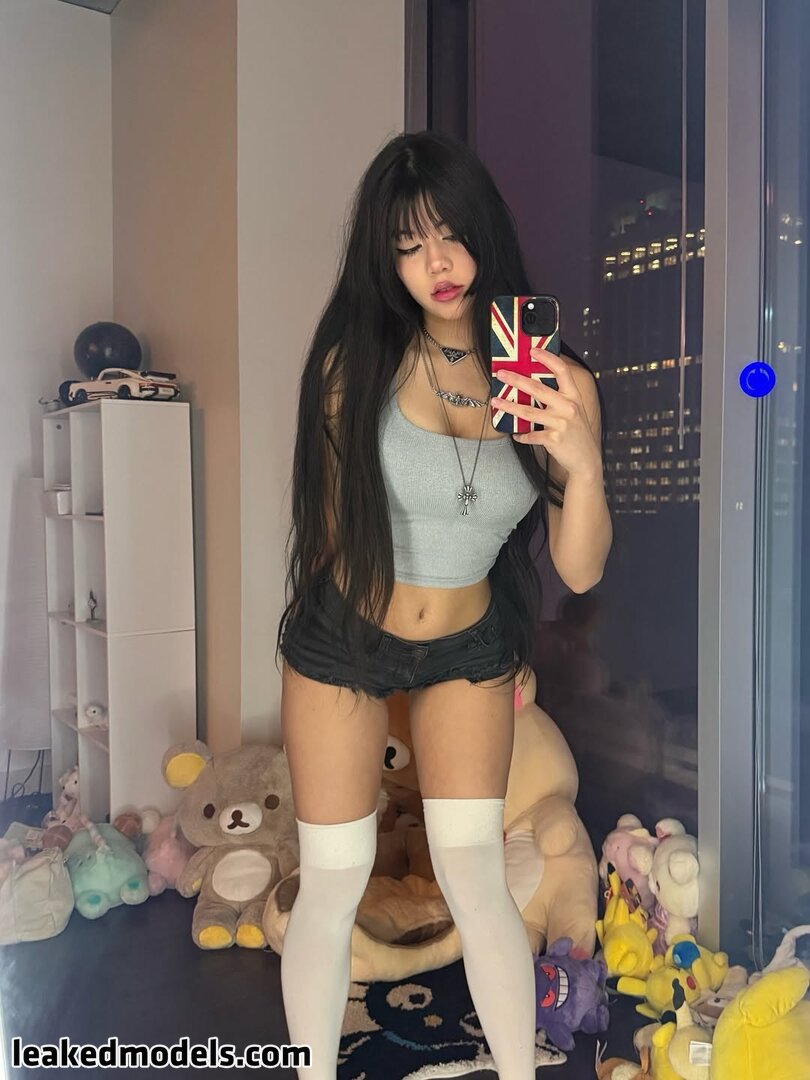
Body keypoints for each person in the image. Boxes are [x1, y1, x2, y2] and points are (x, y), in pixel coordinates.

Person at [274, 129, 612, 1079]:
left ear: (484, 233)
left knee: (475, 875)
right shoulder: (356, 362)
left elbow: (580, 570)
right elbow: (331, 532)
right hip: (348, 640)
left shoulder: (555, 380)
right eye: (409, 245)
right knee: (335, 880)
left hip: (469, 646)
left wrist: (580, 462)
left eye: (451, 234)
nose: (437, 263)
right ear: (387, 262)